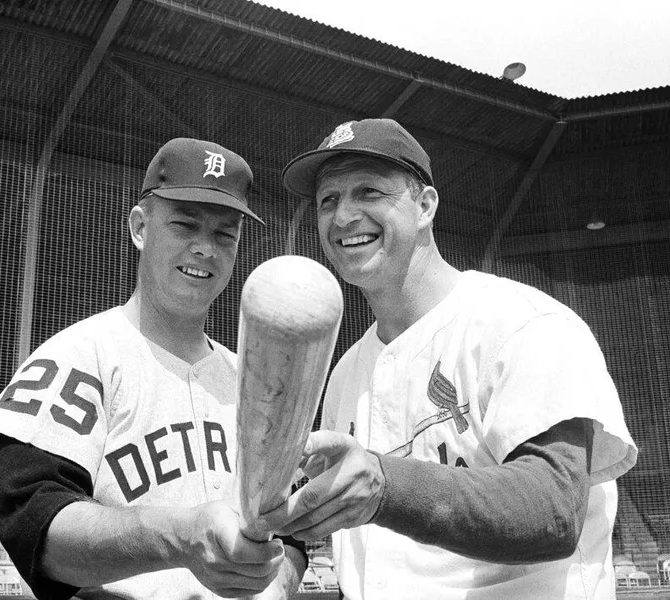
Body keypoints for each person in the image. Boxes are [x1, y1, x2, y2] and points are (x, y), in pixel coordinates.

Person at [259, 118, 638, 599]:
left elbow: (554, 509)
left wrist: (383, 484)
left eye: (369, 192)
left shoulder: (523, 324)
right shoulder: (344, 374)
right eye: (327, 200)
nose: (343, 216)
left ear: (425, 205)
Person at [0, 138, 307, 600]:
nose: (205, 249)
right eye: (185, 225)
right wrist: (180, 539)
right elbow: (34, 523)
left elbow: (289, 527)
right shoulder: (78, 355)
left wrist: (282, 582)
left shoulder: (251, 381)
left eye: (224, 235)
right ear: (140, 228)